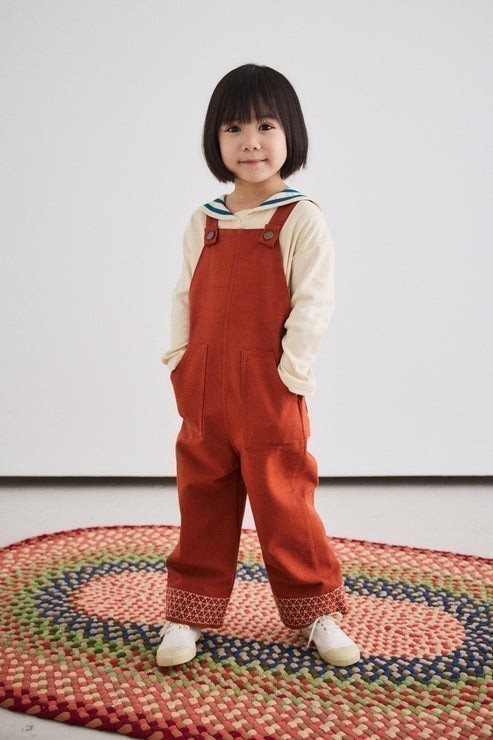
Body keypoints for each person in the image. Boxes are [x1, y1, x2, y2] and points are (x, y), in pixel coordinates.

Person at [157, 63, 360, 668]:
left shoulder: (300, 217)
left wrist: (290, 373)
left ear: (290, 133)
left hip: (270, 386)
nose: (251, 142)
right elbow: (184, 295)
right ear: (214, 140)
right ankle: (188, 613)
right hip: (205, 385)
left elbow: (314, 302)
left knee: (284, 500)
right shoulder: (205, 220)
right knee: (203, 497)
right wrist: (179, 360)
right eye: (234, 128)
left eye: (266, 126)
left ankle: (316, 609)